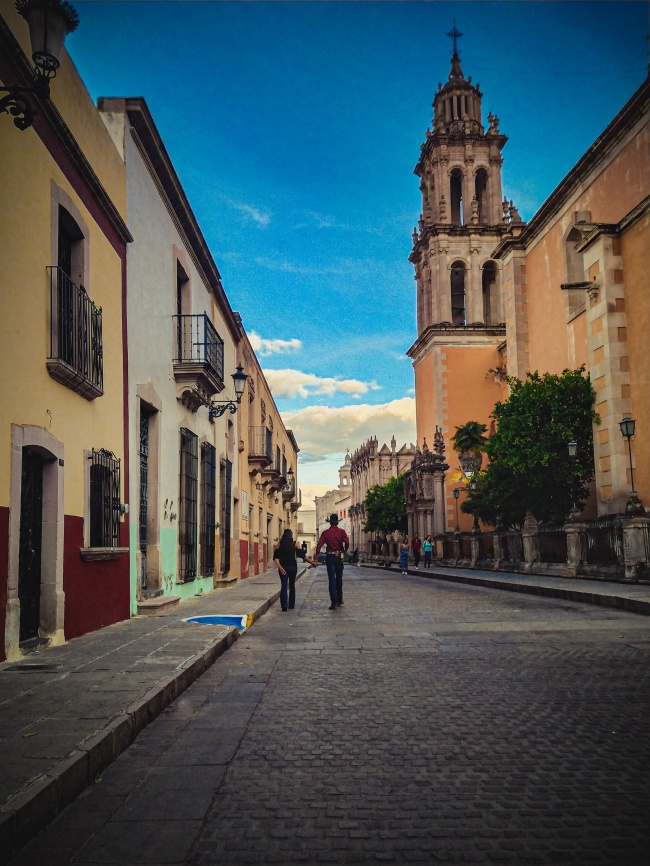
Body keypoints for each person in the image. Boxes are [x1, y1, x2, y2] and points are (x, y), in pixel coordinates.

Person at [273, 529, 317, 611]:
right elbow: (303, 556)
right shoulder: (295, 544)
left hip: (283, 567)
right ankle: (291, 605)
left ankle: (284, 606)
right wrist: (312, 563)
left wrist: (280, 567)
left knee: (284, 586)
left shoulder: (280, 544)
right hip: (292, 567)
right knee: (292, 585)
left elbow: (275, 557)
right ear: (291, 536)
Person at [315, 514, 349, 610]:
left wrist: (316, 557)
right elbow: (347, 542)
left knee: (331, 579)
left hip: (329, 556)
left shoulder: (325, 533)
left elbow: (319, 545)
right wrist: (344, 551)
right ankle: (339, 600)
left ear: (330, 522)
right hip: (338, 556)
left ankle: (333, 602)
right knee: (339, 578)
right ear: (337, 522)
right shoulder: (341, 532)